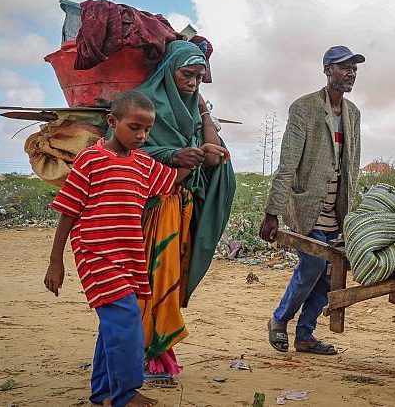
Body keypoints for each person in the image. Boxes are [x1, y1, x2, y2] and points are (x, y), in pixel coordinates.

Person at [43, 91, 228, 407]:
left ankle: (102, 392)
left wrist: (196, 156)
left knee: (113, 325)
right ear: (113, 122)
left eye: (147, 129)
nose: (142, 135)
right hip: (95, 254)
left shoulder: (143, 163)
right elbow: (68, 211)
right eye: (134, 127)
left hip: (130, 257)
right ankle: (125, 394)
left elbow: (170, 181)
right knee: (127, 319)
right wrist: (55, 262)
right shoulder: (91, 160)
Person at [131, 40, 237, 380]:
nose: (192, 83)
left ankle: (158, 357)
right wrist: (174, 157)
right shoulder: (143, 105)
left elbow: (211, 156)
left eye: (199, 77)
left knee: (169, 284)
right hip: (150, 210)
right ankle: (140, 357)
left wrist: (204, 112)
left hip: (180, 209)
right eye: (186, 74)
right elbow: (124, 155)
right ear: (168, 71)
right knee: (149, 283)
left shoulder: (192, 110)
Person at [260, 45, 364, 355]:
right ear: (327, 69)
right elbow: (288, 163)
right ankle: (280, 320)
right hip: (308, 207)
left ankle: (305, 335)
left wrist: (352, 214)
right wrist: (272, 212)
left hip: (337, 209)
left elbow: (353, 165)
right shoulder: (304, 108)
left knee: (329, 274)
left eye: (354, 69)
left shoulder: (353, 113)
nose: (351, 73)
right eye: (344, 67)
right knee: (313, 264)